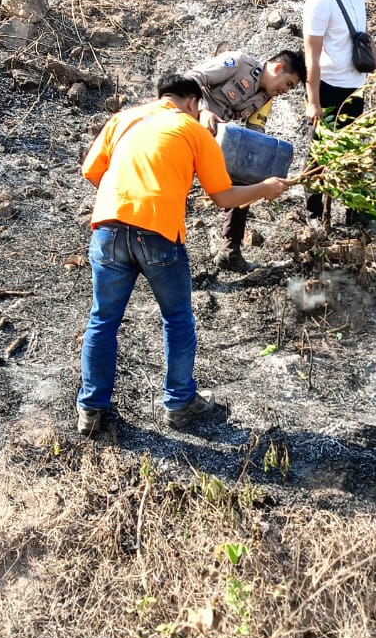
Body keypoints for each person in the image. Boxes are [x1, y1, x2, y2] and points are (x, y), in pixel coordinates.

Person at [75, 74, 289, 437]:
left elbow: (91, 171)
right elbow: (224, 197)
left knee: (103, 320)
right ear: (192, 102)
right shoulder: (191, 130)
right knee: (177, 319)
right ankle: (180, 405)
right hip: (158, 233)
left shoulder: (123, 118)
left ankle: (92, 411)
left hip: (108, 228)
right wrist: (265, 189)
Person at [186, 48, 306, 271]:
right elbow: (192, 77)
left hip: (214, 141)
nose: (285, 91)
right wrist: (203, 111)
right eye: (288, 84)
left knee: (247, 173)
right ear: (278, 68)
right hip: (186, 127)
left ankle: (230, 250)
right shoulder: (239, 63)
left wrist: (265, 175)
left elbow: (255, 133)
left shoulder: (266, 99)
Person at [301, 0, 376, 221]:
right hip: (329, 87)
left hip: (355, 85)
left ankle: (354, 210)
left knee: (353, 147)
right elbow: (311, 55)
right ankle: (314, 211)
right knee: (320, 151)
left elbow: (362, 34)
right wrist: (313, 101)